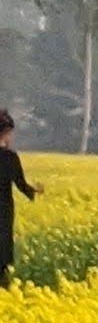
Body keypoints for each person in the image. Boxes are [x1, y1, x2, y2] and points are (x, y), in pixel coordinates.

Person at [0, 110, 34, 283]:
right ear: (6, 133)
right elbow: (21, 184)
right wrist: (34, 191)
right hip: (3, 210)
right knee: (2, 250)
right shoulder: (10, 157)